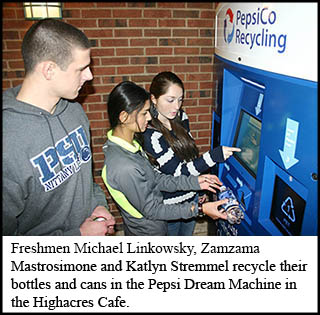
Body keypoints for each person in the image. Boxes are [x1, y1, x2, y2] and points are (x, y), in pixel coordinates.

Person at [2, 18, 115, 236]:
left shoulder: (75, 111)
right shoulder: (9, 142)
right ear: (49, 70)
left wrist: (97, 205)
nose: (90, 76)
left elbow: (84, 179)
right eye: (81, 68)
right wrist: (78, 236)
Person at [102, 81, 229, 236]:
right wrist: (200, 210)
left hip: (157, 227)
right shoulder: (124, 166)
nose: (149, 117)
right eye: (144, 113)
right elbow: (153, 209)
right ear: (124, 117)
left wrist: (195, 182)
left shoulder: (132, 144)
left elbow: (156, 178)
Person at [143, 71, 241, 235]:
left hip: (192, 197)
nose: (177, 106)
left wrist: (199, 190)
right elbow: (177, 172)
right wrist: (213, 156)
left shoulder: (181, 116)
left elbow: (190, 156)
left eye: (180, 100)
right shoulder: (150, 134)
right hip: (170, 207)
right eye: (170, 100)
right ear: (153, 99)